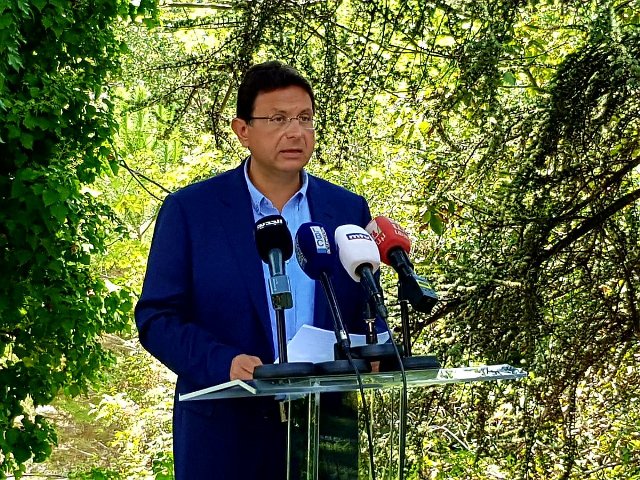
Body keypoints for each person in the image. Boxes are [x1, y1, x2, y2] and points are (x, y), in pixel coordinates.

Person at [135, 60, 373, 479]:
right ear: (242, 130)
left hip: (325, 434)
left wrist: (373, 352)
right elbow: (157, 318)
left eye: (305, 118)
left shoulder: (346, 209)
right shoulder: (192, 211)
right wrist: (224, 362)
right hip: (226, 436)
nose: (295, 132)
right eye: (278, 119)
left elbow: (365, 308)